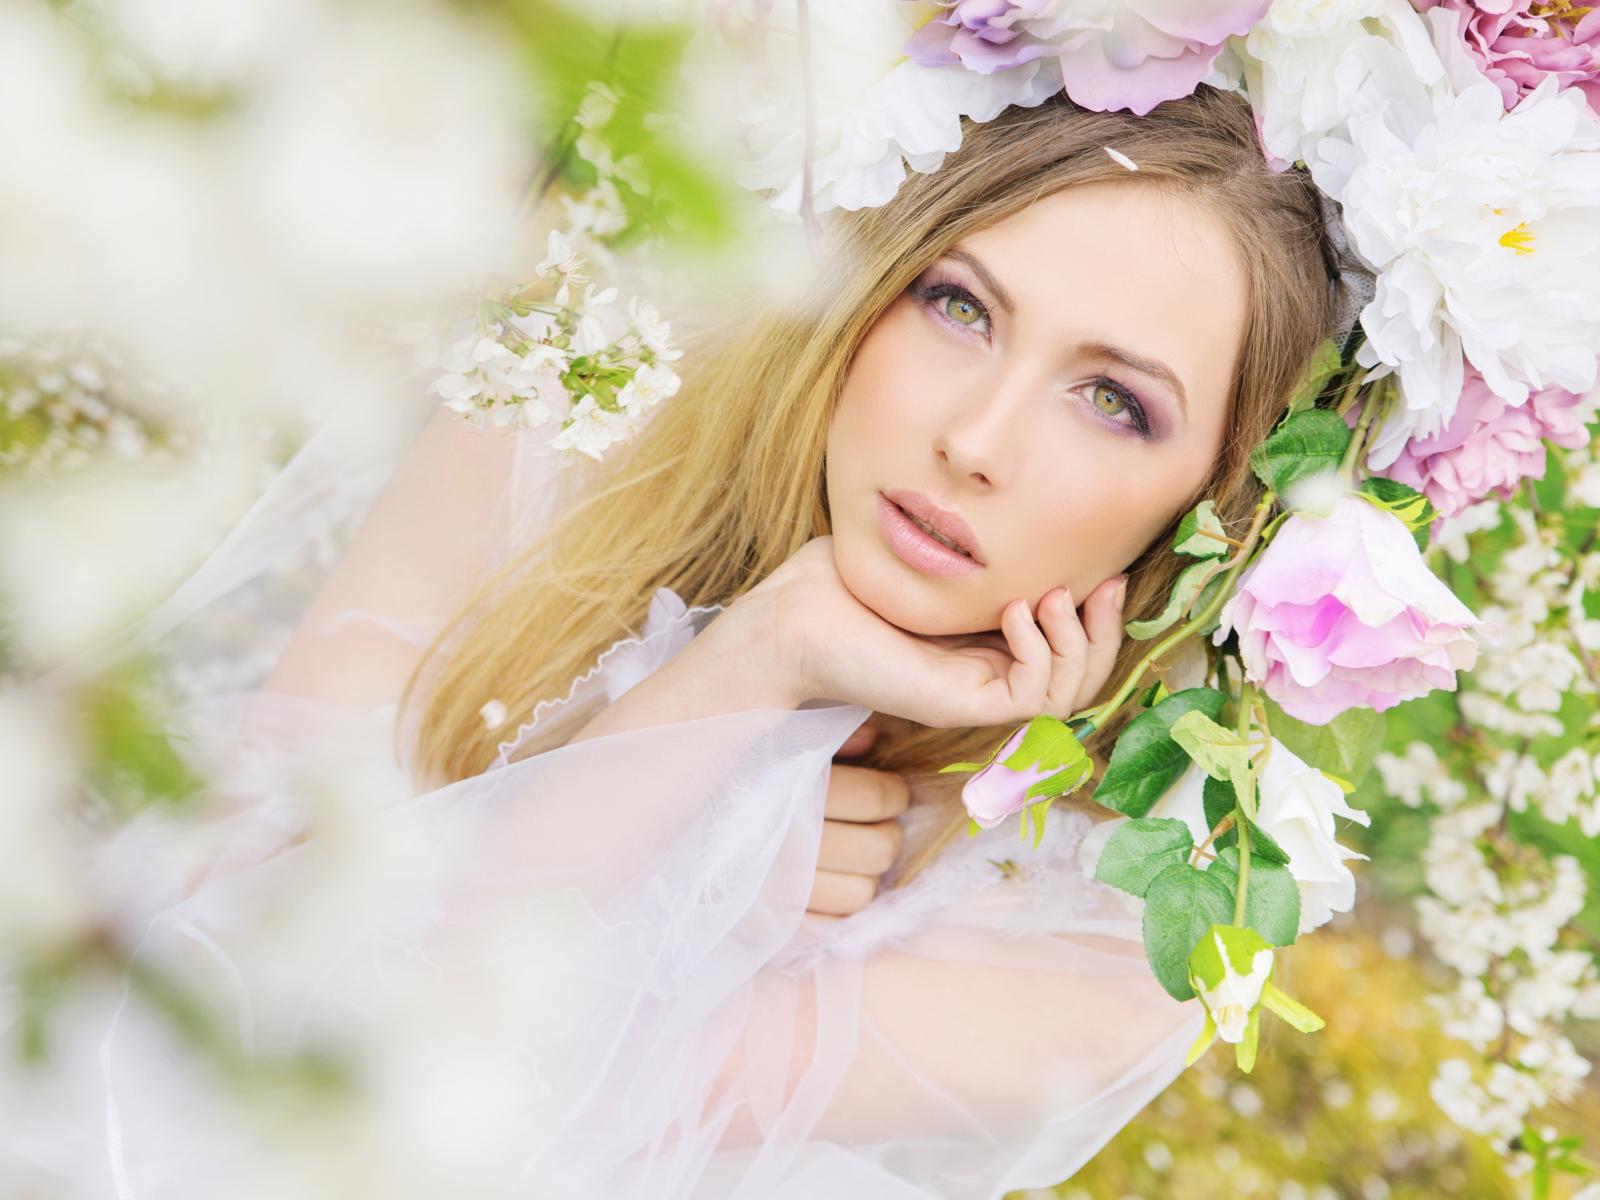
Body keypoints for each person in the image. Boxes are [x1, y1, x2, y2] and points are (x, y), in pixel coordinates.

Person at [71, 84, 1346, 1198]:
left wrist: (709, 879)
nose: (976, 441)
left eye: (1113, 401)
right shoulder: (575, 422)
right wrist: (749, 673)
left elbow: (451, 1129)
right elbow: (209, 1013)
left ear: (1217, 507)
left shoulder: (1116, 930)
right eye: (958, 306)